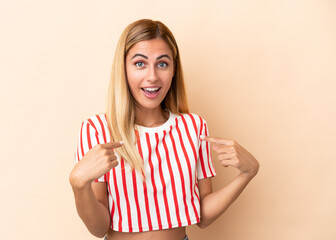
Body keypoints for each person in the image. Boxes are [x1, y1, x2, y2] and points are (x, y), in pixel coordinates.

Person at [69, 19, 260, 240]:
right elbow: (98, 228)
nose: (152, 76)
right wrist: (78, 185)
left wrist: (248, 173)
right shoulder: (97, 130)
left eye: (162, 64)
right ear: (123, 69)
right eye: (140, 63)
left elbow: (203, 216)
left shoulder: (193, 127)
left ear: (173, 71)